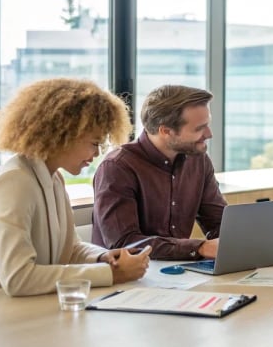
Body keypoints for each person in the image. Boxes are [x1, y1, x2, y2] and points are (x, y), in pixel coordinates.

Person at [0, 78, 151, 296]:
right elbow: (18, 278)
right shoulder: (13, 182)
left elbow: (70, 249)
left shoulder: (53, 179)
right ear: (63, 135)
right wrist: (111, 275)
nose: (97, 154)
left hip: (29, 309)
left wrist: (103, 258)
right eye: (94, 143)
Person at [92, 85, 226, 260]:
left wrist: (246, 238)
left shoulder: (198, 160)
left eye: (207, 125)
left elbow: (219, 223)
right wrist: (199, 247)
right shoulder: (118, 167)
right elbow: (124, 243)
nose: (209, 134)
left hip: (179, 274)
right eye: (199, 128)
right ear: (166, 131)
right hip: (126, 277)